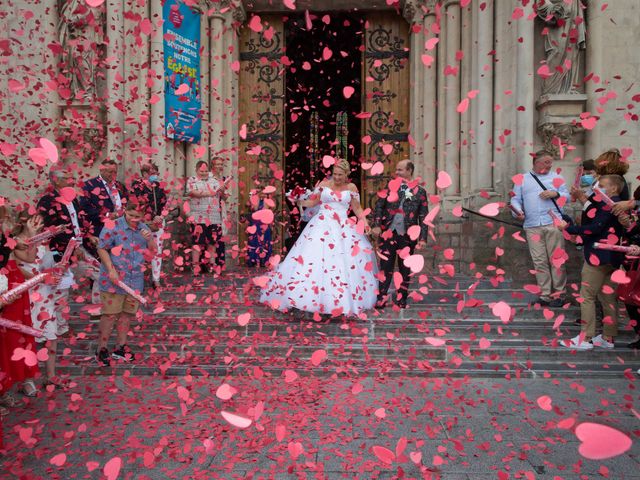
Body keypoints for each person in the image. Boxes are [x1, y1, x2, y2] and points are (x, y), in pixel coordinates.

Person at [260, 158, 378, 317]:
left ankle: (338, 302)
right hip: (321, 225)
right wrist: (299, 201)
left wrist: (364, 222)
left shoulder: (351, 188)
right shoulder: (324, 185)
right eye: (335, 174)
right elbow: (313, 202)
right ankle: (304, 298)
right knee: (312, 260)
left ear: (347, 174)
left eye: (340, 175)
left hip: (343, 227)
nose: (336, 178)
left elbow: (357, 208)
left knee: (342, 263)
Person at [556, 175, 626, 350]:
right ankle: (608, 337)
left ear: (613, 189)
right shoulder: (617, 205)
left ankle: (586, 338)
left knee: (586, 296)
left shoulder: (609, 205)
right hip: (612, 258)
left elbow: (595, 228)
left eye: (602, 186)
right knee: (607, 297)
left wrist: (568, 228)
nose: (598, 189)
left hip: (598, 256)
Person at [95, 200, 156, 366]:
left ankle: (120, 347)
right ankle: (102, 349)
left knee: (126, 315)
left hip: (135, 279)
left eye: (138, 216)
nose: (134, 219)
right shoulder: (112, 226)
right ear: (125, 212)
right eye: (131, 215)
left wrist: (150, 239)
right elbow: (102, 248)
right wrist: (110, 269)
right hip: (114, 279)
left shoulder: (145, 229)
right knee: (110, 315)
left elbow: (153, 251)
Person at [37, 165, 100, 317]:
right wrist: (71, 247)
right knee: (61, 289)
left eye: (72, 178)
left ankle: (98, 310)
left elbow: (77, 222)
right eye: (68, 178)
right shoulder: (47, 201)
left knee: (100, 273)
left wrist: (88, 236)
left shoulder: (73, 199)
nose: (72, 181)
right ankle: (61, 327)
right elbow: (50, 229)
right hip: (59, 251)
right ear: (57, 181)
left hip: (79, 247)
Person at [13, 211, 66, 387]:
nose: (38, 224)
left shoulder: (43, 241)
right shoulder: (16, 241)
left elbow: (45, 264)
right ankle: (27, 380)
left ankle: (50, 375)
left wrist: (57, 270)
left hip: (45, 293)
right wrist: (40, 278)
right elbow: (24, 264)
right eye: (34, 221)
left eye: (41, 222)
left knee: (51, 334)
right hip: (27, 293)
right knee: (29, 337)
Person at [511, 150, 570, 307]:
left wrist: (555, 193)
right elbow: (515, 199)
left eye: (551, 162)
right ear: (536, 162)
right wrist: (517, 212)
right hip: (532, 225)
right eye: (546, 162)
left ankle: (559, 294)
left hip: (553, 224)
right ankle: (545, 295)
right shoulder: (522, 179)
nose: (550, 165)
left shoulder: (557, 177)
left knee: (557, 260)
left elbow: (568, 196)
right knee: (539, 261)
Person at [372, 159, 429, 309]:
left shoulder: (421, 192)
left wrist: (423, 238)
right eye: (396, 170)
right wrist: (377, 225)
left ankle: (402, 299)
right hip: (389, 233)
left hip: (408, 235)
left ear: (409, 171)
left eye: (400, 170)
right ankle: (381, 298)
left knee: (405, 269)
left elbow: (424, 216)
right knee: (385, 267)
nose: (396, 172)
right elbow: (379, 206)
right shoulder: (390, 187)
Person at [186, 160, 228, 275]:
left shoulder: (215, 181)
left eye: (205, 171)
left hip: (214, 217)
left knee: (212, 242)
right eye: (201, 171)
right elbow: (193, 193)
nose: (204, 173)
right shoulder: (192, 180)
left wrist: (223, 191)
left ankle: (212, 265)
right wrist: (209, 193)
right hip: (198, 217)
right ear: (196, 170)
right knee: (197, 242)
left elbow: (224, 198)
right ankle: (195, 266)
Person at [80, 159, 128, 258]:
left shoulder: (120, 186)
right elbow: (84, 208)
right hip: (100, 230)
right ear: (102, 171)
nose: (113, 174)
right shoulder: (89, 186)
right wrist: (107, 215)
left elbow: (126, 202)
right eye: (110, 172)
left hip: (120, 230)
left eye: (115, 172)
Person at [131, 163, 168, 289]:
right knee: (139, 249)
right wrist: (152, 216)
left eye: (157, 173)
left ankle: (156, 279)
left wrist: (161, 216)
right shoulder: (137, 185)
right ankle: (136, 279)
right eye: (153, 173)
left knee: (157, 250)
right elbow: (139, 202)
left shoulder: (158, 186)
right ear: (145, 174)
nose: (155, 176)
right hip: (142, 222)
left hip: (158, 222)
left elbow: (164, 203)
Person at [246, 189, 273, 268]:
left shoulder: (266, 202)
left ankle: (262, 261)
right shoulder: (254, 201)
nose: (262, 195)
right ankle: (255, 261)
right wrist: (252, 195)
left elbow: (267, 210)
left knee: (264, 241)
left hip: (263, 224)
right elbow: (253, 208)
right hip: (255, 224)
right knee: (254, 241)